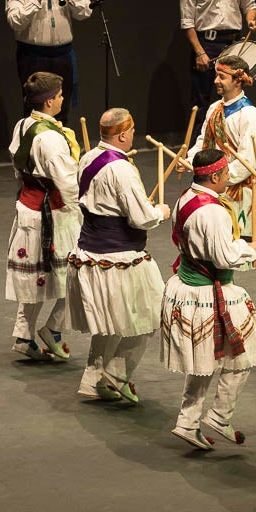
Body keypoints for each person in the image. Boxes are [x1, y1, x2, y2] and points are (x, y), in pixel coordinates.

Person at [161, 148, 256, 451]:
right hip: (209, 293)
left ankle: (187, 421)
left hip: (187, 287)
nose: (228, 178)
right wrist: (251, 249)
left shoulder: (186, 196)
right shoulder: (212, 212)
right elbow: (224, 257)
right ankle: (220, 416)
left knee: (202, 363)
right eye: (225, 174)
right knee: (244, 357)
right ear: (214, 176)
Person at [67, 108, 170, 403]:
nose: (134, 134)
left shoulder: (88, 157)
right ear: (123, 134)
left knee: (110, 321)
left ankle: (93, 378)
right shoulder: (121, 169)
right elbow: (141, 218)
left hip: (90, 251)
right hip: (119, 258)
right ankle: (116, 376)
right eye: (133, 130)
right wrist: (160, 212)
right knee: (149, 315)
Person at [5, 72, 82, 362]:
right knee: (78, 272)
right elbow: (66, 182)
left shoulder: (24, 125)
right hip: (52, 213)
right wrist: (82, 207)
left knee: (35, 278)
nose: (63, 99)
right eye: (60, 95)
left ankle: (24, 334)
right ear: (50, 101)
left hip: (28, 206)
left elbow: (17, 164)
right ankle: (54, 328)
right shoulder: (50, 138)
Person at [187, 54, 256, 264]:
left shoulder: (250, 115)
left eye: (221, 77)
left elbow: (247, 161)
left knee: (230, 254)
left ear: (237, 80)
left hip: (235, 191)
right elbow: (202, 142)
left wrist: (216, 178)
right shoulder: (214, 109)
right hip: (212, 185)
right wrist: (192, 161)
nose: (215, 81)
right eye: (216, 75)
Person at [180, 0, 256, 136]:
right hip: (207, 45)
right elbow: (187, 22)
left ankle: (229, 143)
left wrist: (251, 20)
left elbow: (249, 5)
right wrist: (199, 52)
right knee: (202, 100)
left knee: (234, 96)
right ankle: (196, 151)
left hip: (234, 45)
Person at [5, 0, 91, 121]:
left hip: (62, 57)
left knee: (62, 111)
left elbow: (85, 11)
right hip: (34, 59)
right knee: (35, 114)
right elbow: (15, 21)